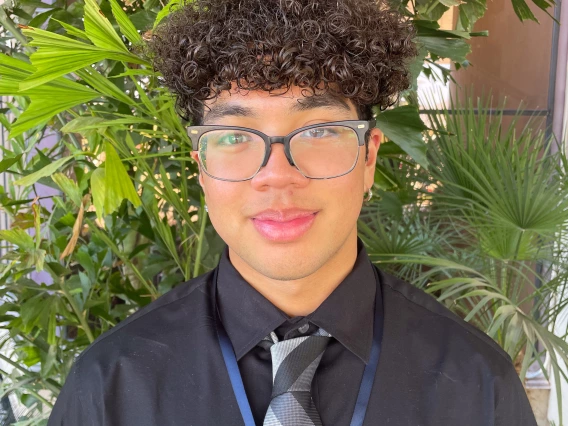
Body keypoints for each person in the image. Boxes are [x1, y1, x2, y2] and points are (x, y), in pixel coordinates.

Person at [47, 0, 539, 424]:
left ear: (368, 157)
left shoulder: (477, 384)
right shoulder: (109, 387)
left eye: (320, 130)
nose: (277, 174)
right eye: (236, 136)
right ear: (201, 167)